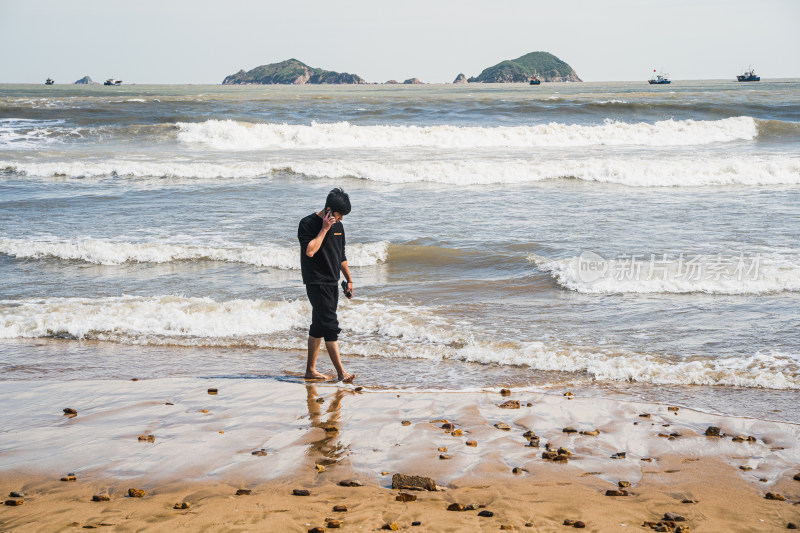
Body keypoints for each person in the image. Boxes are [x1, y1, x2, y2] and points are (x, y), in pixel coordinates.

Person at [297, 187, 356, 382]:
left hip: (332, 281)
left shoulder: (339, 227)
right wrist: (324, 228)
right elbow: (310, 251)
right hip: (316, 282)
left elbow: (341, 256)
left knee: (318, 326)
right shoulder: (307, 223)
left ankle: (310, 371)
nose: (340, 220)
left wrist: (349, 279)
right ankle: (342, 373)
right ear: (329, 209)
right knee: (331, 326)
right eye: (339, 215)